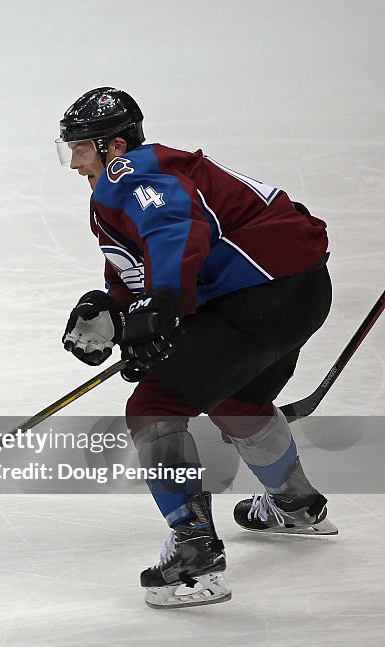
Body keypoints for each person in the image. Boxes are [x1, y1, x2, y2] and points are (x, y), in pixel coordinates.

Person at [55, 87, 337, 608]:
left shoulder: (128, 172)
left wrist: (160, 306)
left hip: (253, 296)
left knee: (154, 409)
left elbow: (174, 230)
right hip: (298, 292)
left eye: (80, 149)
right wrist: (117, 314)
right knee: (237, 399)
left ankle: (195, 556)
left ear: (113, 145)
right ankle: (296, 505)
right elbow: (147, 263)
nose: (73, 163)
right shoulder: (148, 174)